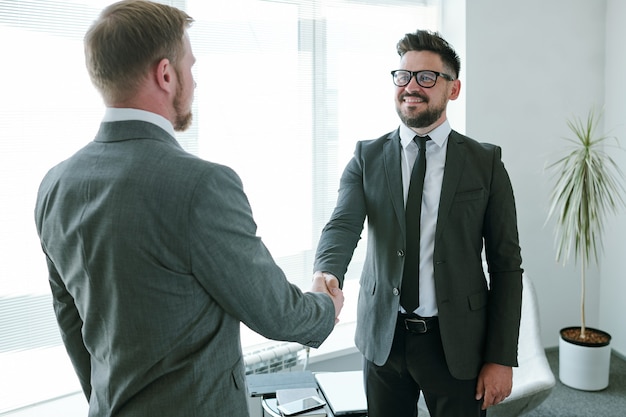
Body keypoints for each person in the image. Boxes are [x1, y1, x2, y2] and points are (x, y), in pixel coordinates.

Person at [34, 1, 343, 416]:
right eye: (190, 68)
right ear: (165, 74)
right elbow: (276, 313)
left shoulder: (54, 185)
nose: (193, 83)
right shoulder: (202, 186)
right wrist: (326, 307)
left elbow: (71, 321)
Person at [313, 29, 523, 417]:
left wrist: (500, 356)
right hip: (384, 339)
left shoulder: (485, 164)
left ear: (453, 89)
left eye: (426, 77)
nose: (411, 86)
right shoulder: (367, 158)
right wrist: (326, 273)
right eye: (403, 76)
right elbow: (342, 226)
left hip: (457, 341)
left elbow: (506, 265)